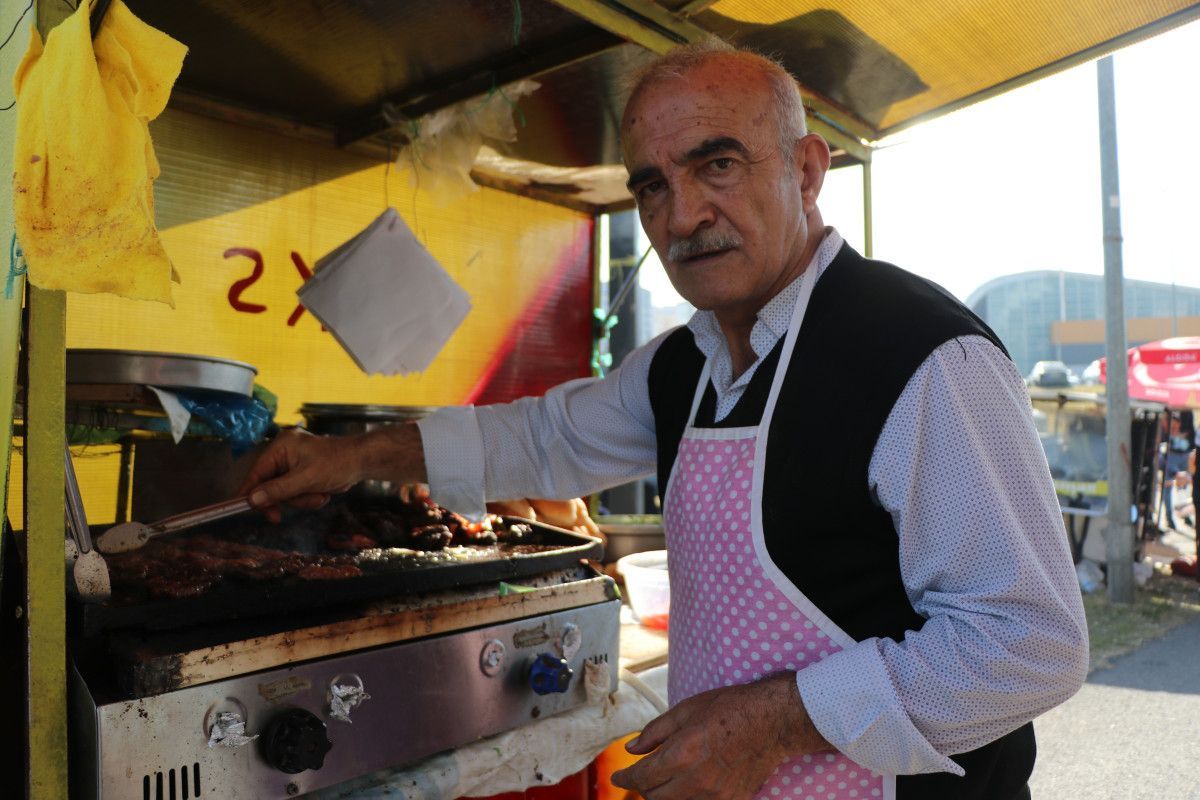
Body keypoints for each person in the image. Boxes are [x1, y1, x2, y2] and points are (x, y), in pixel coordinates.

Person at [240, 42, 1088, 800]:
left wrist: (771, 725)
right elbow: (545, 439)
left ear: (805, 170)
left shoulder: (922, 357)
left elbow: (1029, 642)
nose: (681, 218)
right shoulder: (685, 363)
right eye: (652, 186)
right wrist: (353, 456)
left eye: (717, 164)